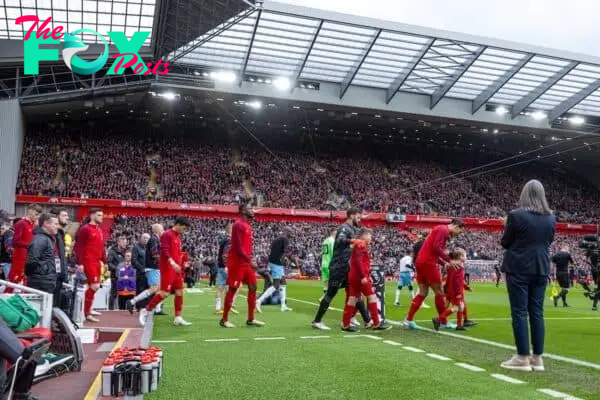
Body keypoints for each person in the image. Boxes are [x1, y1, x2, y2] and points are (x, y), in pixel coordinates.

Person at [500, 179, 556, 372]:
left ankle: (522, 357)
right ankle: (537, 358)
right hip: (541, 267)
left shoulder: (516, 215)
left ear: (524, 194)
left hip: (519, 267)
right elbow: (548, 240)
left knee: (519, 312)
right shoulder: (551, 217)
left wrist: (505, 225)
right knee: (537, 313)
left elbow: (505, 243)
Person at [312, 207, 371, 331]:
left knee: (354, 294)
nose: (359, 220)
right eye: (358, 217)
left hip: (346, 267)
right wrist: (354, 240)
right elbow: (340, 240)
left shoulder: (352, 229)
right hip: (339, 267)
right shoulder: (344, 228)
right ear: (351, 216)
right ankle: (317, 321)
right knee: (331, 293)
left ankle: (367, 321)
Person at [404, 219, 465, 329]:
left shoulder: (439, 228)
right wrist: (449, 260)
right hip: (428, 263)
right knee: (439, 291)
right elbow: (436, 248)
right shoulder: (444, 230)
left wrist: (443, 263)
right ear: (456, 226)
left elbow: (433, 249)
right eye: (459, 232)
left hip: (420, 262)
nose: (458, 235)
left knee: (423, 292)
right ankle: (443, 321)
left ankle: (408, 319)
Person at [140, 217, 192, 327]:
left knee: (179, 291)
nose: (184, 231)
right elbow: (164, 250)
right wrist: (172, 263)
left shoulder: (178, 237)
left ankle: (178, 317)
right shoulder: (167, 234)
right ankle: (146, 311)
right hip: (168, 269)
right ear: (177, 224)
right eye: (183, 228)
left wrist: (181, 265)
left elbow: (177, 253)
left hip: (176, 270)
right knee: (164, 293)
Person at [219, 203, 264, 328]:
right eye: (250, 208)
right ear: (243, 211)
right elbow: (238, 247)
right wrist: (250, 260)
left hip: (246, 263)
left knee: (253, 287)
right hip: (237, 263)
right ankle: (224, 320)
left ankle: (251, 319)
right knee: (233, 289)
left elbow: (246, 247)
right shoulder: (238, 224)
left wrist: (251, 259)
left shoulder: (248, 226)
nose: (253, 210)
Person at [342, 228, 391, 332]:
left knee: (352, 299)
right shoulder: (361, 244)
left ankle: (345, 324)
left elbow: (356, 261)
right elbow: (358, 261)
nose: (371, 238)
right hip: (360, 277)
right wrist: (363, 276)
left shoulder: (358, 244)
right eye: (369, 235)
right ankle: (376, 324)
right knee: (372, 297)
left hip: (353, 276)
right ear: (363, 236)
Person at [74, 208, 107, 323]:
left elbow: (101, 247)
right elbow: (79, 247)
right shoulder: (85, 229)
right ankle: (86, 313)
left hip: (97, 262)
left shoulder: (99, 230)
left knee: (92, 287)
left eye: (102, 215)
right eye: (99, 215)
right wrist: (80, 263)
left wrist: (105, 261)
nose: (101, 217)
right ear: (92, 216)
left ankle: (88, 308)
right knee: (94, 286)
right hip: (88, 261)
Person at [127, 224, 165, 315]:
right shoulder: (153, 240)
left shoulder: (155, 240)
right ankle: (132, 302)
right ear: (158, 231)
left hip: (154, 267)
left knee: (159, 288)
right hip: (153, 268)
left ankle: (158, 309)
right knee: (153, 288)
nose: (163, 231)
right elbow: (155, 253)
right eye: (162, 230)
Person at [256, 226, 294, 313]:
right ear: (287, 232)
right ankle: (259, 301)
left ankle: (283, 305)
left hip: (272, 262)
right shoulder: (285, 239)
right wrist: (287, 259)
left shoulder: (276, 239)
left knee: (283, 283)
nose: (291, 234)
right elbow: (285, 252)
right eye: (291, 232)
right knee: (276, 285)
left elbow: (271, 249)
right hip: (277, 264)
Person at [5, 204, 42, 293]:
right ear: (30, 211)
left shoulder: (33, 225)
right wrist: (30, 244)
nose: (37, 217)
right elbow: (15, 241)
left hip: (29, 257)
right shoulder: (21, 224)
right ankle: (4, 301)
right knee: (14, 280)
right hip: (20, 257)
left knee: (25, 280)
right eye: (36, 214)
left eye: (38, 215)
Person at [434, 248, 469, 331]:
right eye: (465, 256)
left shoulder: (450, 266)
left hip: (450, 289)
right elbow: (457, 280)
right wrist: (458, 292)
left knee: (461, 306)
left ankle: (459, 325)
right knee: (456, 308)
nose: (466, 257)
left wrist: (446, 289)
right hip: (456, 291)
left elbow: (449, 279)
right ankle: (438, 319)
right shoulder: (459, 266)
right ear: (460, 257)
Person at [25, 213, 60, 295]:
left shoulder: (48, 239)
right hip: (40, 282)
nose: (57, 226)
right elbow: (32, 261)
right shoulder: (40, 239)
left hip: (46, 281)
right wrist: (39, 274)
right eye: (55, 224)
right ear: (46, 224)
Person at [215, 223, 239, 315]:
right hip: (226, 267)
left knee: (221, 287)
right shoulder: (229, 240)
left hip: (220, 266)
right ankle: (229, 305)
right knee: (236, 285)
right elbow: (225, 254)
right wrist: (227, 266)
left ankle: (218, 308)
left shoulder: (223, 240)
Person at [49, 208, 69, 307]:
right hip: (52, 274)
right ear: (56, 217)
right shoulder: (51, 234)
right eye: (64, 215)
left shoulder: (60, 233)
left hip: (59, 272)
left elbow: (61, 254)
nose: (67, 218)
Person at [107, 234, 128, 310]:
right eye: (123, 242)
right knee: (114, 293)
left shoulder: (125, 252)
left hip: (124, 276)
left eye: (126, 242)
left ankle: (122, 309)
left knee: (124, 293)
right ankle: (111, 310)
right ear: (119, 242)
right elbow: (109, 263)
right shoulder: (113, 251)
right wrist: (117, 269)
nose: (125, 244)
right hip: (115, 276)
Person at [132, 233, 150, 311]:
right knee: (140, 290)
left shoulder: (150, 248)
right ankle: (139, 307)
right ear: (141, 238)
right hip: (141, 273)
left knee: (149, 290)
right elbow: (134, 260)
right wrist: (142, 269)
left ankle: (147, 307)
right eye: (144, 238)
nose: (146, 239)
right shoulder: (136, 247)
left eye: (147, 238)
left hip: (149, 273)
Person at [320, 227, 336, 300]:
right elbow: (333, 253)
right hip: (329, 264)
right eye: (337, 231)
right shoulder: (332, 241)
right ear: (333, 232)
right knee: (332, 285)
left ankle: (323, 299)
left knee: (326, 285)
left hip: (324, 264)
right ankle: (324, 300)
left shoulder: (325, 240)